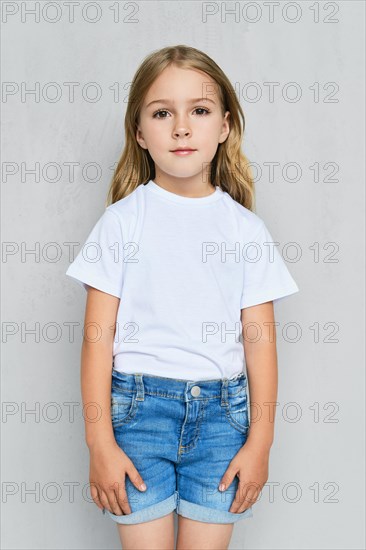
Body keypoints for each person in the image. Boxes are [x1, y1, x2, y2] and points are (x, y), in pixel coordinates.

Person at [65, 45, 299, 550]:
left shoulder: (246, 231)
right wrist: (98, 441)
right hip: (138, 413)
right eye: (162, 112)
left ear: (225, 126)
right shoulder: (123, 223)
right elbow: (96, 341)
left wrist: (261, 442)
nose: (181, 127)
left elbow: (261, 344)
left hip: (222, 421)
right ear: (139, 132)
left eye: (199, 110)